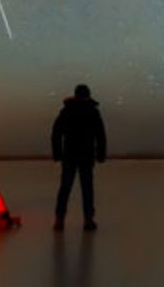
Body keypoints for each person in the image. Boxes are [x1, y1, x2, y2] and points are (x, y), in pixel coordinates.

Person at [51, 83, 106, 231]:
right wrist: (100, 154)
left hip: (70, 155)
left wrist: (57, 153)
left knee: (65, 188)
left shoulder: (67, 111)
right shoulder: (92, 112)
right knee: (86, 189)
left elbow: (56, 133)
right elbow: (100, 135)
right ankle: (88, 220)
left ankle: (59, 220)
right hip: (85, 156)